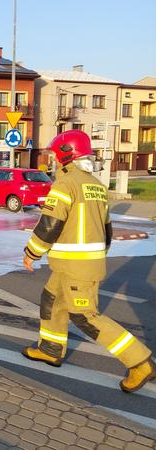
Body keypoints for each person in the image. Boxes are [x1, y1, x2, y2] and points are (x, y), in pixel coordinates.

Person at [22, 130, 155, 392]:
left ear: (65, 155)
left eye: (54, 155)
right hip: (73, 263)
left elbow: (50, 224)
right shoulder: (96, 185)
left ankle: (139, 362)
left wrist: (32, 253)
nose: (52, 160)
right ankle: (50, 349)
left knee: (85, 316)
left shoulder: (65, 184)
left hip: (76, 265)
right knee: (52, 301)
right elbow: (106, 229)